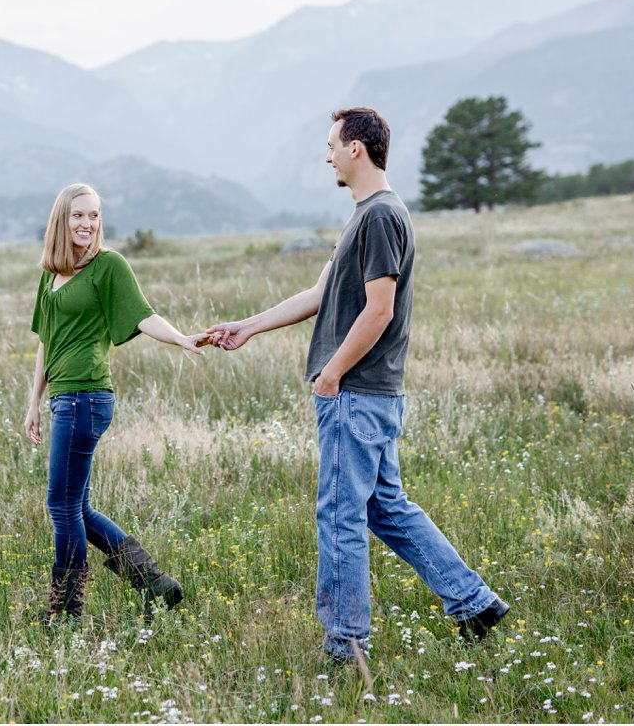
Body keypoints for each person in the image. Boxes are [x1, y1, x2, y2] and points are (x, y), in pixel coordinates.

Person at [203, 107, 508, 660]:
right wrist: (245, 328)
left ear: (356, 150)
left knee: (341, 514)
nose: (326, 156)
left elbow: (379, 310)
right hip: (366, 392)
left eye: (331, 146)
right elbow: (318, 295)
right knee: (384, 506)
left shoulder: (381, 217)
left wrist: (332, 374)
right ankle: (474, 602)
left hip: (357, 392)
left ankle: (345, 642)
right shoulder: (364, 216)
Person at [25, 182, 202, 624]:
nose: (88, 224)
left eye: (95, 215)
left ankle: (65, 611)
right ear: (61, 220)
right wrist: (33, 404)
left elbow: (143, 315)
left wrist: (180, 338)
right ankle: (154, 583)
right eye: (79, 216)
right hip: (63, 399)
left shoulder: (109, 266)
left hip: (86, 399)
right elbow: (47, 343)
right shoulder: (51, 274)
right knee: (77, 507)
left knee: (61, 507)